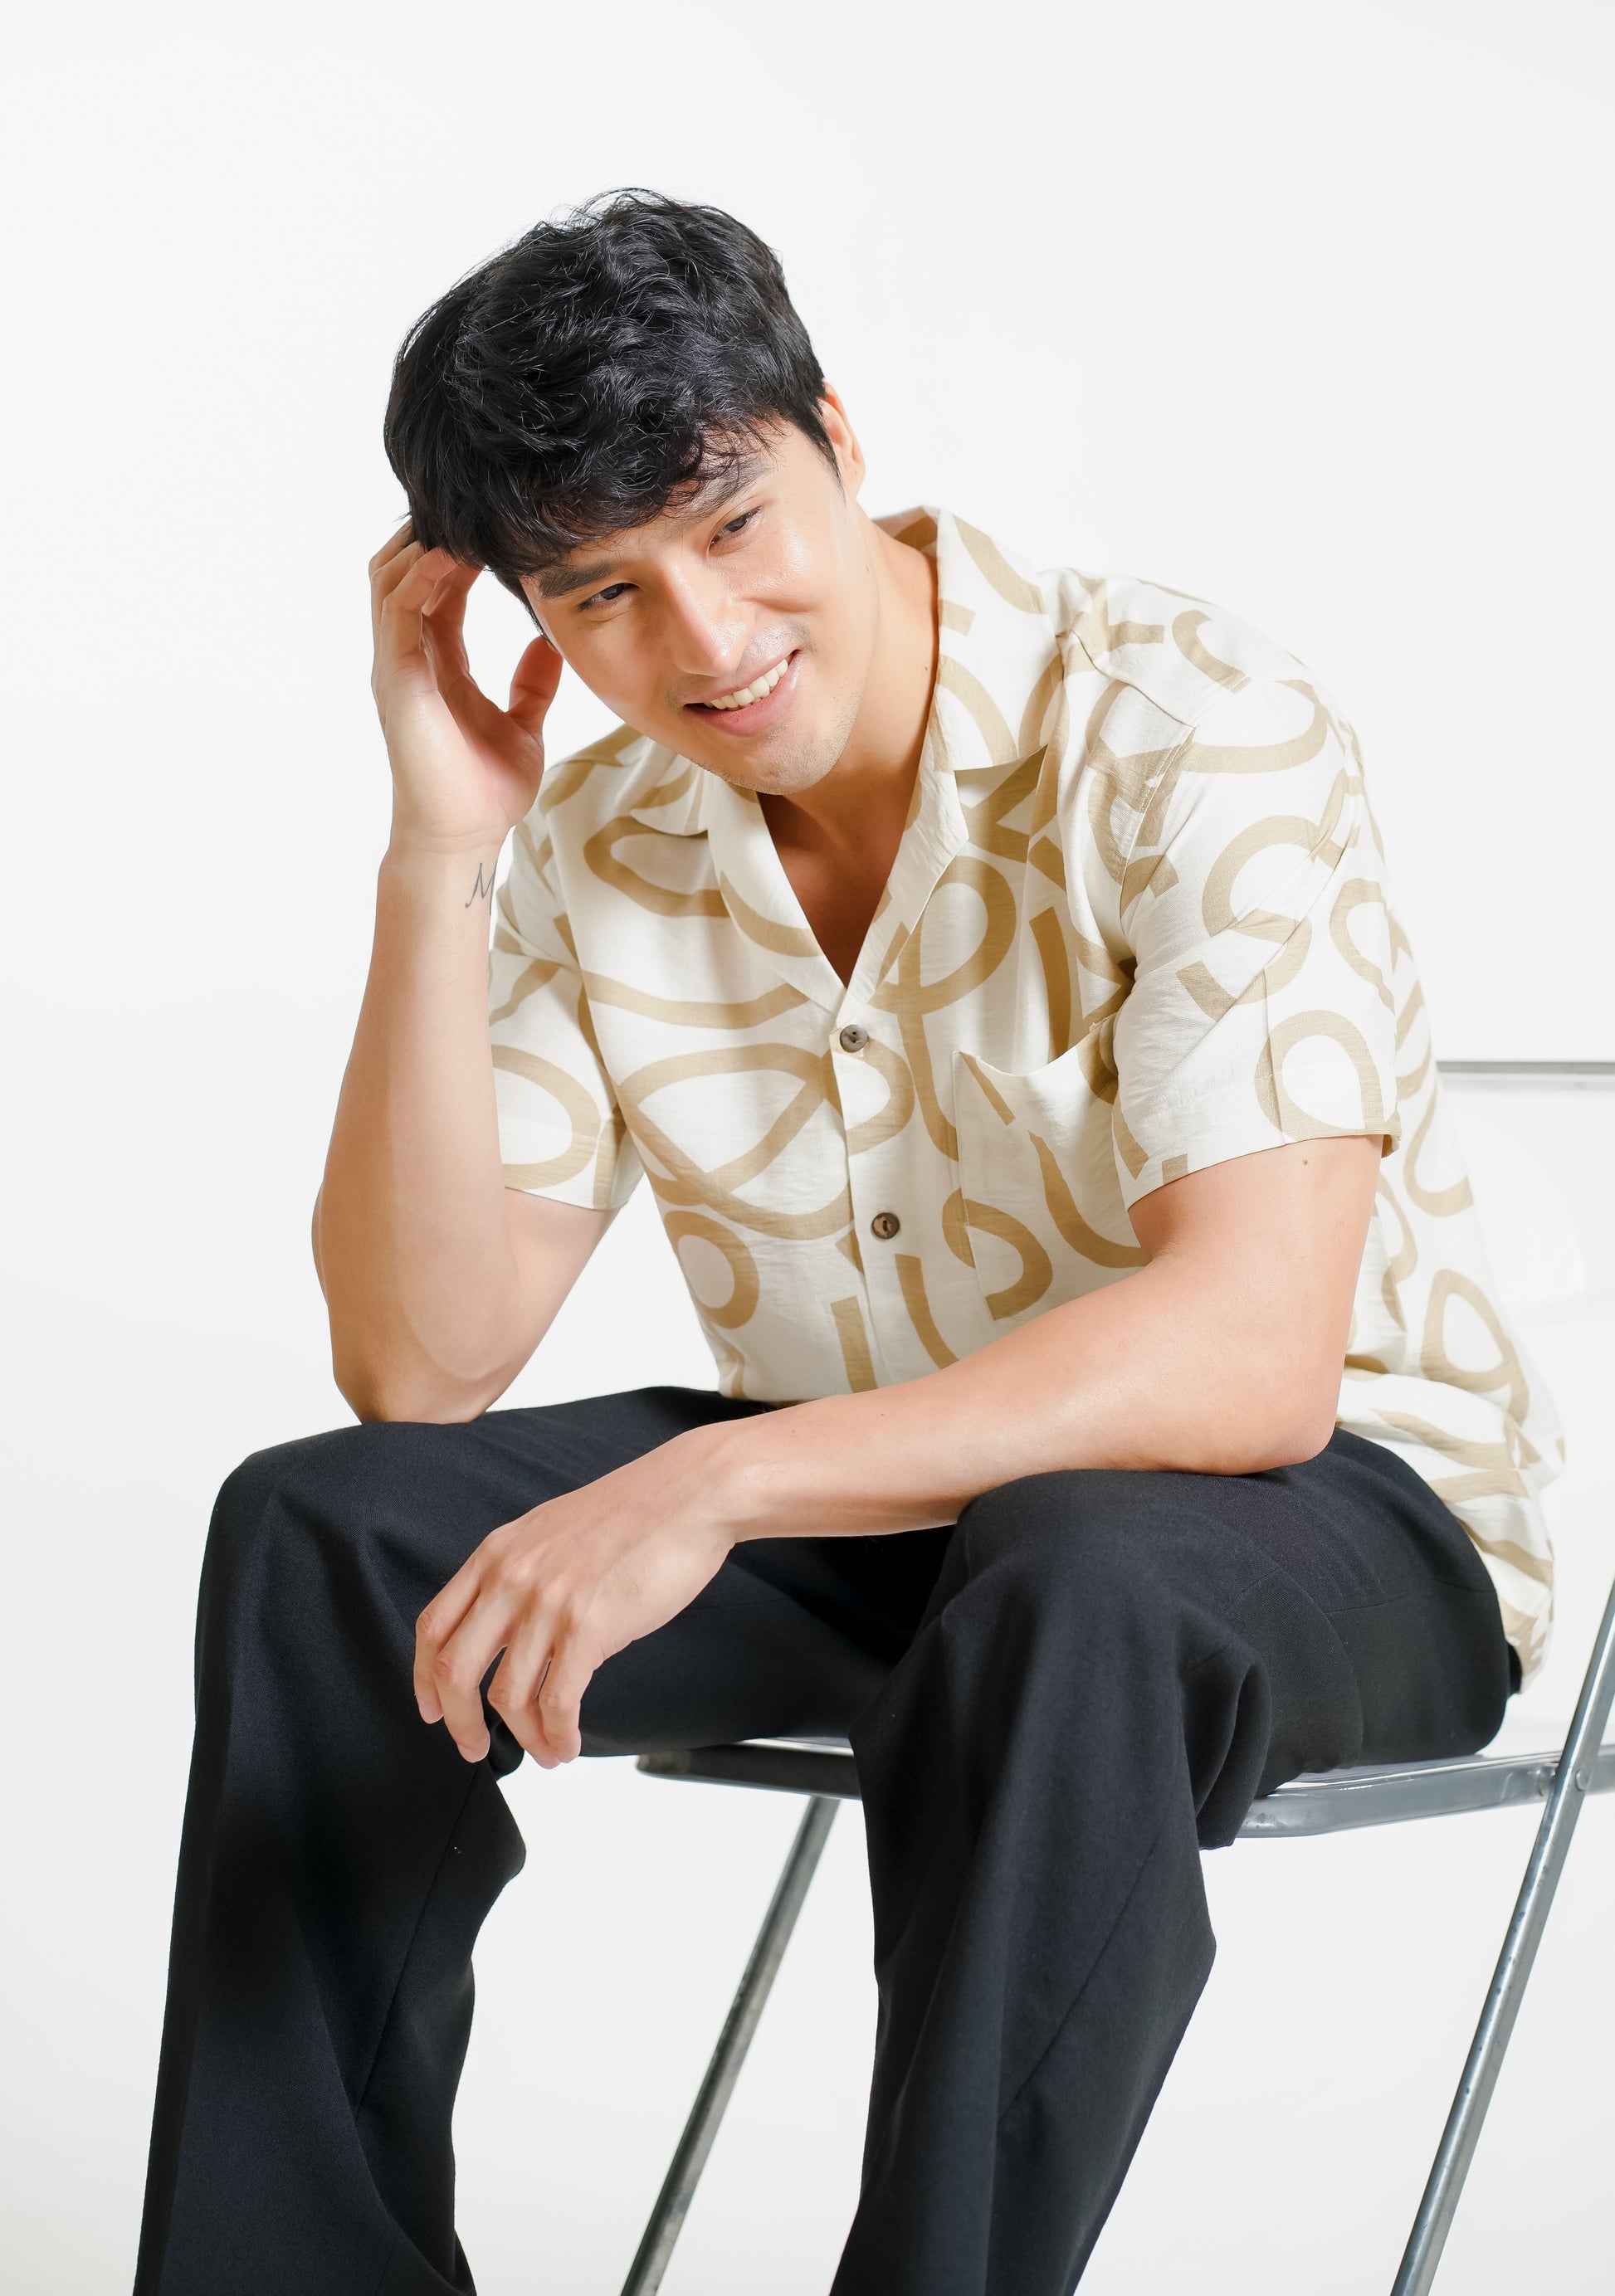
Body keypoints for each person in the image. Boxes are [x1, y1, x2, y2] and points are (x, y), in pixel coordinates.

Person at [134, 191, 1561, 2296]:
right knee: (325, 1532)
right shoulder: (608, 831)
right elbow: (420, 1364)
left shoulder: (1182, 720)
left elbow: (1251, 1355)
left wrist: (715, 1481)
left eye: (733, 524)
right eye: (604, 593)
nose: (705, 642)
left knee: (1070, 1564)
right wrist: (441, 849)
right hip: (898, 1514)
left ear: (837, 437)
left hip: (1318, 1521)